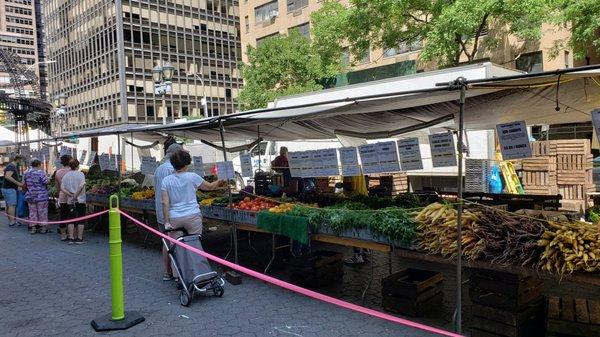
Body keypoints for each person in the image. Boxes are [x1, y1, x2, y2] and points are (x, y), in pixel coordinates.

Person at [161, 149, 226, 238]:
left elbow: (165, 203)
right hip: (193, 216)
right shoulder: (192, 177)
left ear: (172, 164)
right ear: (186, 164)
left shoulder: (166, 180)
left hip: (175, 217)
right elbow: (210, 187)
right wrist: (221, 179)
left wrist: (166, 221)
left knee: (177, 245)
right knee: (194, 243)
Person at [154, 143, 182, 281]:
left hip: (160, 211)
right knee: (176, 242)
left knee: (165, 243)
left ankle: (167, 272)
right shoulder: (172, 169)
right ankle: (178, 274)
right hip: (170, 212)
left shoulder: (158, 169)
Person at [60, 159, 86, 244]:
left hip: (70, 200)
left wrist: (70, 194)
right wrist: (76, 194)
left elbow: (62, 188)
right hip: (80, 199)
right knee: (81, 218)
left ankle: (71, 238)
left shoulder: (66, 175)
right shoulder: (81, 174)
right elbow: (82, 185)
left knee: (71, 219)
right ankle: (79, 238)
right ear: (78, 166)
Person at [23, 159, 49, 234]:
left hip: (30, 195)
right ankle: (43, 228)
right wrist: (48, 179)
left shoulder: (27, 173)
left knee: (32, 212)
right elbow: (46, 181)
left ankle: (33, 228)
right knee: (42, 212)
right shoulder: (40, 172)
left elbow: (24, 184)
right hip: (41, 196)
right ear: (38, 165)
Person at [2, 155, 24, 227]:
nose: (22, 162)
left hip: (8, 188)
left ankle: (11, 221)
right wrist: (18, 183)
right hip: (9, 189)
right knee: (12, 205)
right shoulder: (11, 166)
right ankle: (12, 222)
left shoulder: (12, 166)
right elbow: (7, 176)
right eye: (22, 160)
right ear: (18, 159)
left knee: (9, 205)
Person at [55, 155, 72, 240]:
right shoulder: (72, 171)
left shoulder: (58, 172)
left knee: (63, 215)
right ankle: (70, 233)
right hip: (71, 196)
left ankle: (63, 234)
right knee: (70, 215)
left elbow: (57, 186)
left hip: (62, 195)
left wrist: (59, 194)